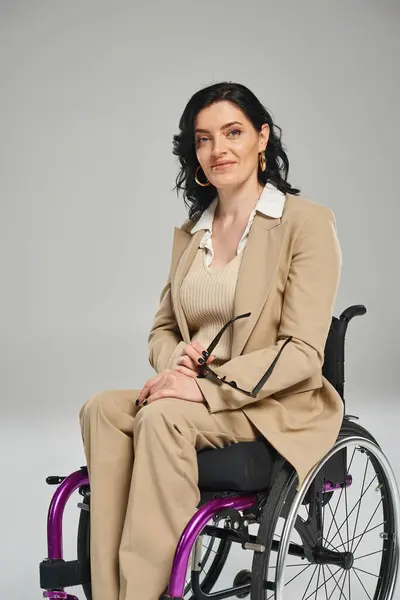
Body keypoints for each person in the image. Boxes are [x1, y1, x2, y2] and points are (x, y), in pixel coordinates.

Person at [79, 81, 343, 600]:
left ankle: (145, 593)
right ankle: (108, 591)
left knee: (160, 416)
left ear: (262, 139)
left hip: (268, 401)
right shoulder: (192, 232)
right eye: (203, 139)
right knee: (101, 410)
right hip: (191, 392)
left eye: (233, 132)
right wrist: (173, 357)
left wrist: (204, 389)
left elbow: (303, 354)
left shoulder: (304, 224)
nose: (217, 149)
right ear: (194, 152)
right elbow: (162, 329)